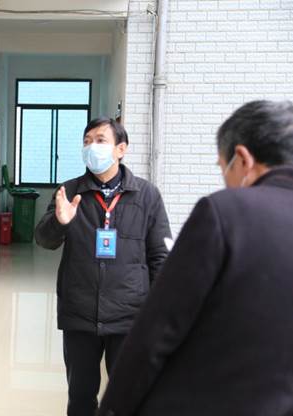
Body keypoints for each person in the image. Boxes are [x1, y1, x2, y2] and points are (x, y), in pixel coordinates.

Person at [98, 100, 293, 416]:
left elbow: (157, 331)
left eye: (222, 166)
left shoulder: (225, 213)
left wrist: (113, 409)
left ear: (243, 159)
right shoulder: (74, 190)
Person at [34, 117, 171, 416]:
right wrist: (59, 221)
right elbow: (44, 240)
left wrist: (159, 314)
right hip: (80, 313)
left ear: (121, 149)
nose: (91, 147)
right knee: (80, 397)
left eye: (100, 140)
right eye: (87, 141)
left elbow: (159, 257)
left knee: (126, 398)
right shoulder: (69, 191)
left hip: (129, 316)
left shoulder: (147, 195)